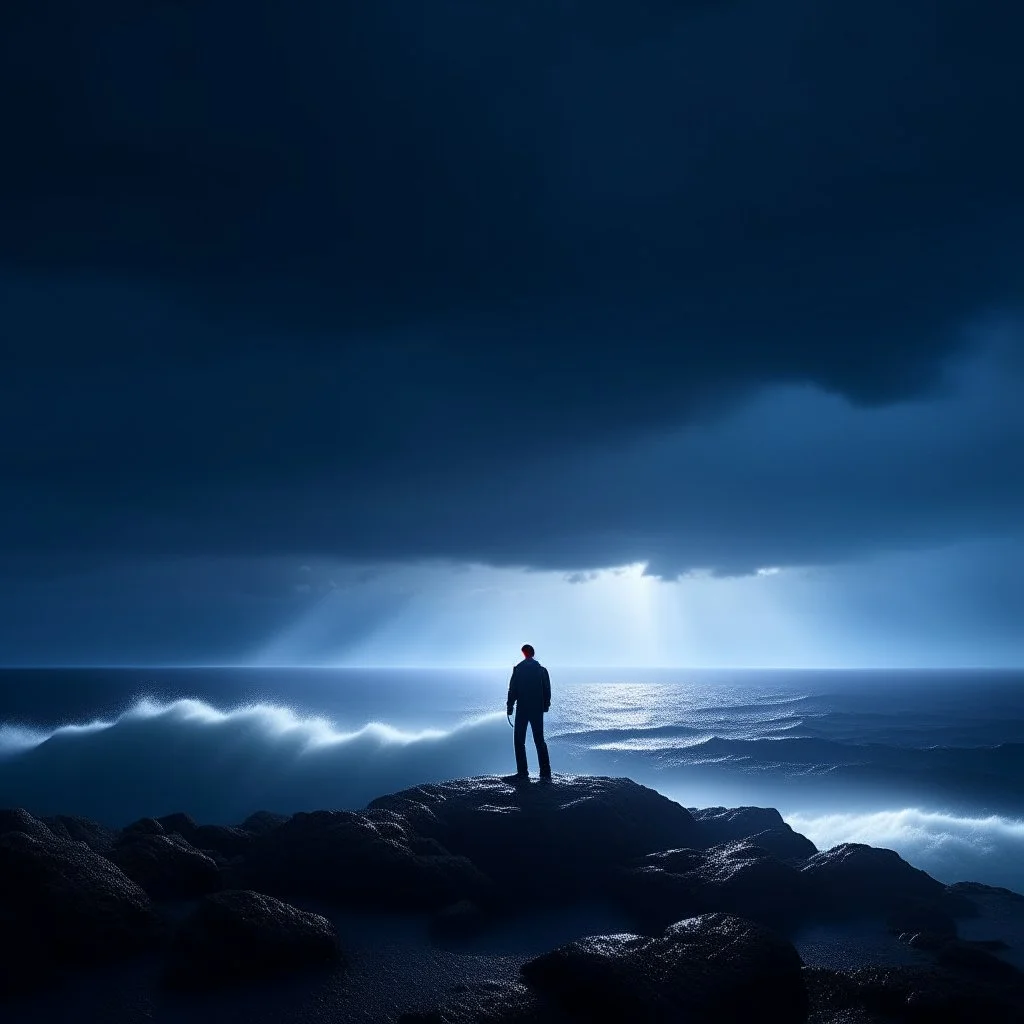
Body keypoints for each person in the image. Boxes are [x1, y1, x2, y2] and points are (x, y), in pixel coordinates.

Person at [505, 644, 552, 780]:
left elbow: (512, 690)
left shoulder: (518, 669)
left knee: (519, 741)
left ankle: (523, 772)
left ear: (524, 654)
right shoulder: (541, 670)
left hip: (523, 709)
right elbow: (547, 689)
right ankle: (545, 772)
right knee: (539, 740)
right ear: (533, 653)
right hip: (537, 710)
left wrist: (510, 706)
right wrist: (545, 705)